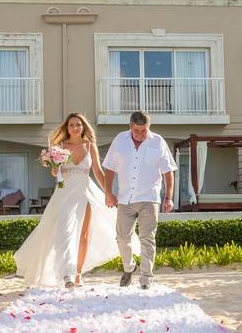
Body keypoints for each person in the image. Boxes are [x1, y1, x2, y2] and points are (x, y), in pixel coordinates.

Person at [14, 113, 121, 287]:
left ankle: (78, 274)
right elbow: (55, 173)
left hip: (85, 192)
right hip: (65, 193)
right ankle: (67, 275)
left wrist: (108, 192)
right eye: (71, 125)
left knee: (84, 235)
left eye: (78, 124)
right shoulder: (60, 146)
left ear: (83, 126)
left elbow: (98, 171)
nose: (75, 127)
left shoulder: (90, 145)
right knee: (65, 233)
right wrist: (54, 168)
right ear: (67, 128)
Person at [102, 111, 177, 290]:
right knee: (122, 237)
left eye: (144, 130)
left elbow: (168, 171)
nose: (141, 134)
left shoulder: (158, 141)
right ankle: (129, 267)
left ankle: (146, 277)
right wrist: (108, 193)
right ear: (130, 127)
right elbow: (110, 169)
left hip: (149, 198)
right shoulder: (120, 140)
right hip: (125, 198)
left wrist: (168, 197)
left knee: (147, 238)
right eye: (137, 131)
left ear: (148, 127)